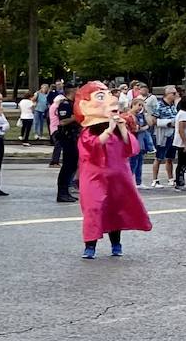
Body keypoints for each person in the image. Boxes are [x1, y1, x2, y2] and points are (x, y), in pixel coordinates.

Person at [73, 82, 152, 257]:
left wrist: (122, 128)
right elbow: (91, 146)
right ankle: (90, 245)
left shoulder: (118, 128)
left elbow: (132, 148)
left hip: (118, 179)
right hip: (95, 178)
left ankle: (116, 244)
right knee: (93, 209)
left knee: (116, 209)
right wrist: (108, 130)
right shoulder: (88, 132)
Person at [52, 82, 80, 202]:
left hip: (74, 137)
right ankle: (62, 192)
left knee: (72, 165)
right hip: (67, 137)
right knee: (67, 166)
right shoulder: (65, 104)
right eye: (77, 90)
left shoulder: (73, 104)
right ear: (72, 91)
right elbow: (63, 121)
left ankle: (66, 192)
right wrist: (75, 118)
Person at [149, 86, 178, 188]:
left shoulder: (173, 105)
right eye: (173, 93)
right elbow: (153, 121)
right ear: (168, 94)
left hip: (172, 134)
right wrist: (168, 123)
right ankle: (155, 179)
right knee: (159, 157)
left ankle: (171, 178)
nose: (175, 95)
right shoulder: (159, 105)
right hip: (162, 135)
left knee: (170, 157)